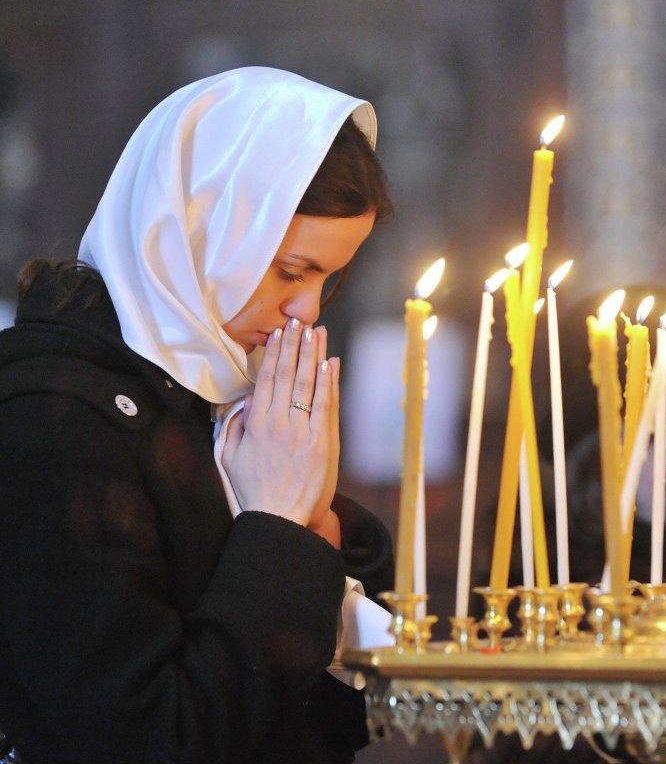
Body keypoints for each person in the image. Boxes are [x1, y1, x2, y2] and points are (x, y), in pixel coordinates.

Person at [0, 66, 394, 764]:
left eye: (328, 280)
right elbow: (143, 736)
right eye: (290, 272)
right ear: (197, 230)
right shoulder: (48, 418)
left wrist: (317, 531)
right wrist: (279, 534)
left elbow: (332, 723)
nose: (307, 310)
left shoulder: (212, 396)